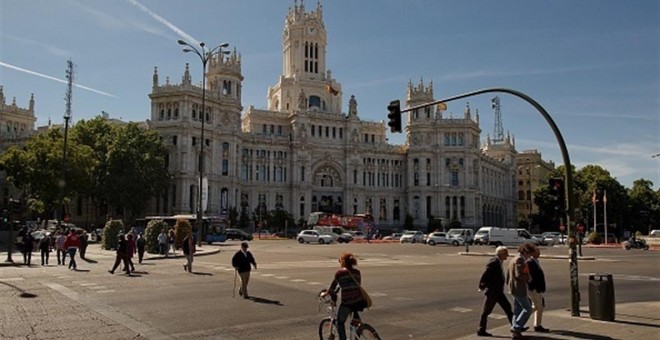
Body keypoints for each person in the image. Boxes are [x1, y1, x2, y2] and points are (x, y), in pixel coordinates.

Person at [322, 252, 367, 340]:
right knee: (354, 320)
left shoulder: (340, 273)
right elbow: (354, 284)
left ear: (343, 262)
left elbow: (333, 287)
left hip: (348, 302)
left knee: (340, 322)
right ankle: (357, 324)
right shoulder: (357, 272)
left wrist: (326, 293)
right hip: (359, 301)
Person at [477, 246, 513, 337]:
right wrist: (482, 285)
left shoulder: (498, 262)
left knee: (508, 308)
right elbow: (486, 274)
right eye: (506, 254)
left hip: (498, 291)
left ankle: (516, 327)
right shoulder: (494, 262)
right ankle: (481, 329)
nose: (507, 256)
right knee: (486, 311)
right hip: (493, 291)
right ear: (501, 254)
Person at [507, 243, 534, 339]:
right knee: (528, 308)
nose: (530, 256)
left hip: (514, 287)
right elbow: (519, 275)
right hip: (518, 288)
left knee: (517, 309)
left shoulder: (514, 258)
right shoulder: (520, 260)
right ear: (526, 252)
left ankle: (516, 331)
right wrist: (528, 277)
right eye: (530, 254)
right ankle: (516, 327)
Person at [527, 246, 549, 333]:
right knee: (537, 306)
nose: (539, 253)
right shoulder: (530, 262)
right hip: (534, 289)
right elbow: (531, 276)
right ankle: (520, 320)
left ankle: (537, 324)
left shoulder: (535, 261)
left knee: (540, 306)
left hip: (538, 289)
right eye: (537, 252)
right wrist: (534, 287)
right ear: (532, 253)